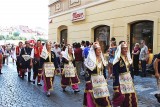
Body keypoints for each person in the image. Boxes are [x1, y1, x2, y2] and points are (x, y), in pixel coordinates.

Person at [83, 42, 111, 107]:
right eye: (98, 50)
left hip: (101, 81)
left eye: (100, 49)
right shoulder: (91, 59)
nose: (99, 51)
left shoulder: (102, 58)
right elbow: (87, 71)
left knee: (104, 96)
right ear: (94, 51)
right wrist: (88, 81)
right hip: (93, 80)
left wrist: (105, 78)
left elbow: (103, 70)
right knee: (93, 96)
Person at [112, 41, 138, 107]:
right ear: (121, 49)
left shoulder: (128, 58)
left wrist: (132, 79)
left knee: (132, 98)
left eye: (127, 48)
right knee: (122, 99)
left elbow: (131, 70)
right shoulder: (118, 60)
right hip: (121, 82)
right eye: (124, 48)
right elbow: (115, 74)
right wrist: (116, 87)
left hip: (129, 82)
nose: (126, 50)